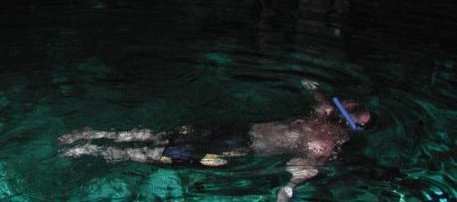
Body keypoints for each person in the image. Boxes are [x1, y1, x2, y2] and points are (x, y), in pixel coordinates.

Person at [58, 80, 371, 202]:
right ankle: (97, 142)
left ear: (342, 116)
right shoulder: (325, 124)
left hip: (237, 139)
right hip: (234, 137)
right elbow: (301, 169)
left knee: (160, 144)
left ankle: (98, 142)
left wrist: (285, 194)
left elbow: (297, 175)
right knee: (161, 144)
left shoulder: (322, 132)